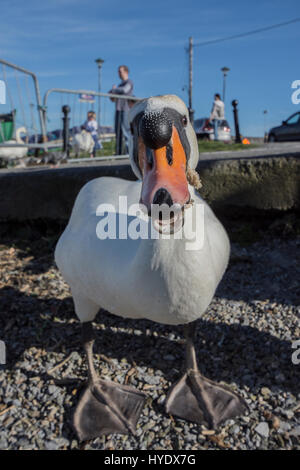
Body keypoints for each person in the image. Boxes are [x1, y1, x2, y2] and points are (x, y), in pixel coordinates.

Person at [109, 65, 133, 155]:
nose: (118, 73)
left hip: (125, 110)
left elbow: (124, 90)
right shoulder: (119, 85)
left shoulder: (129, 82)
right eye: (118, 71)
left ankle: (128, 153)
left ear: (126, 72)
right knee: (118, 132)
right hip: (118, 110)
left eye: (120, 71)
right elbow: (113, 98)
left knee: (126, 132)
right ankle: (119, 153)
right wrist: (113, 92)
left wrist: (114, 90)